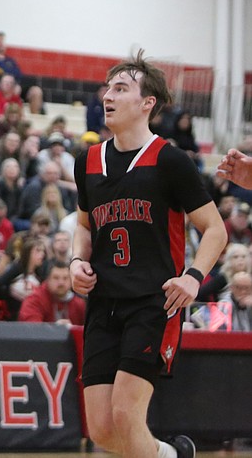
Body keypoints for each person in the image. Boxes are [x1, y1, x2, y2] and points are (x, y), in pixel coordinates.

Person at [72, 52, 226, 458]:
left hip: (154, 302)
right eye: (108, 88)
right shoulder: (87, 161)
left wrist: (193, 276)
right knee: (102, 430)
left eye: (121, 88)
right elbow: (84, 225)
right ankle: (172, 455)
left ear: (147, 104)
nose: (108, 95)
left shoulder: (170, 160)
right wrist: (75, 261)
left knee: (126, 416)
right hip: (104, 302)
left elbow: (215, 230)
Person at [18, 260, 86, 324]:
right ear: (47, 279)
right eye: (56, 278)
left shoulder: (79, 304)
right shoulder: (34, 300)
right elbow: (32, 330)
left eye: (65, 278)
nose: (61, 283)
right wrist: (55, 330)